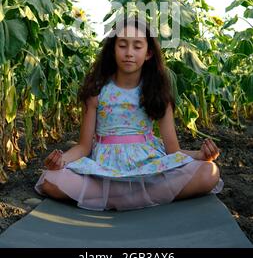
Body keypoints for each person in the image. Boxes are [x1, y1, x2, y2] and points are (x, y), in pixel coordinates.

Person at [35, 16, 223, 210]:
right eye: (122, 45)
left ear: (148, 53)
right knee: (51, 180)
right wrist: (62, 160)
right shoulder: (97, 92)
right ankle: (138, 197)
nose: (129, 53)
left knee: (209, 172)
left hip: (149, 167)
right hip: (105, 170)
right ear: (113, 49)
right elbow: (83, 147)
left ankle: (112, 198)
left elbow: (173, 151)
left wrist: (200, 155)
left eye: (137, 46)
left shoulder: (157, 93)